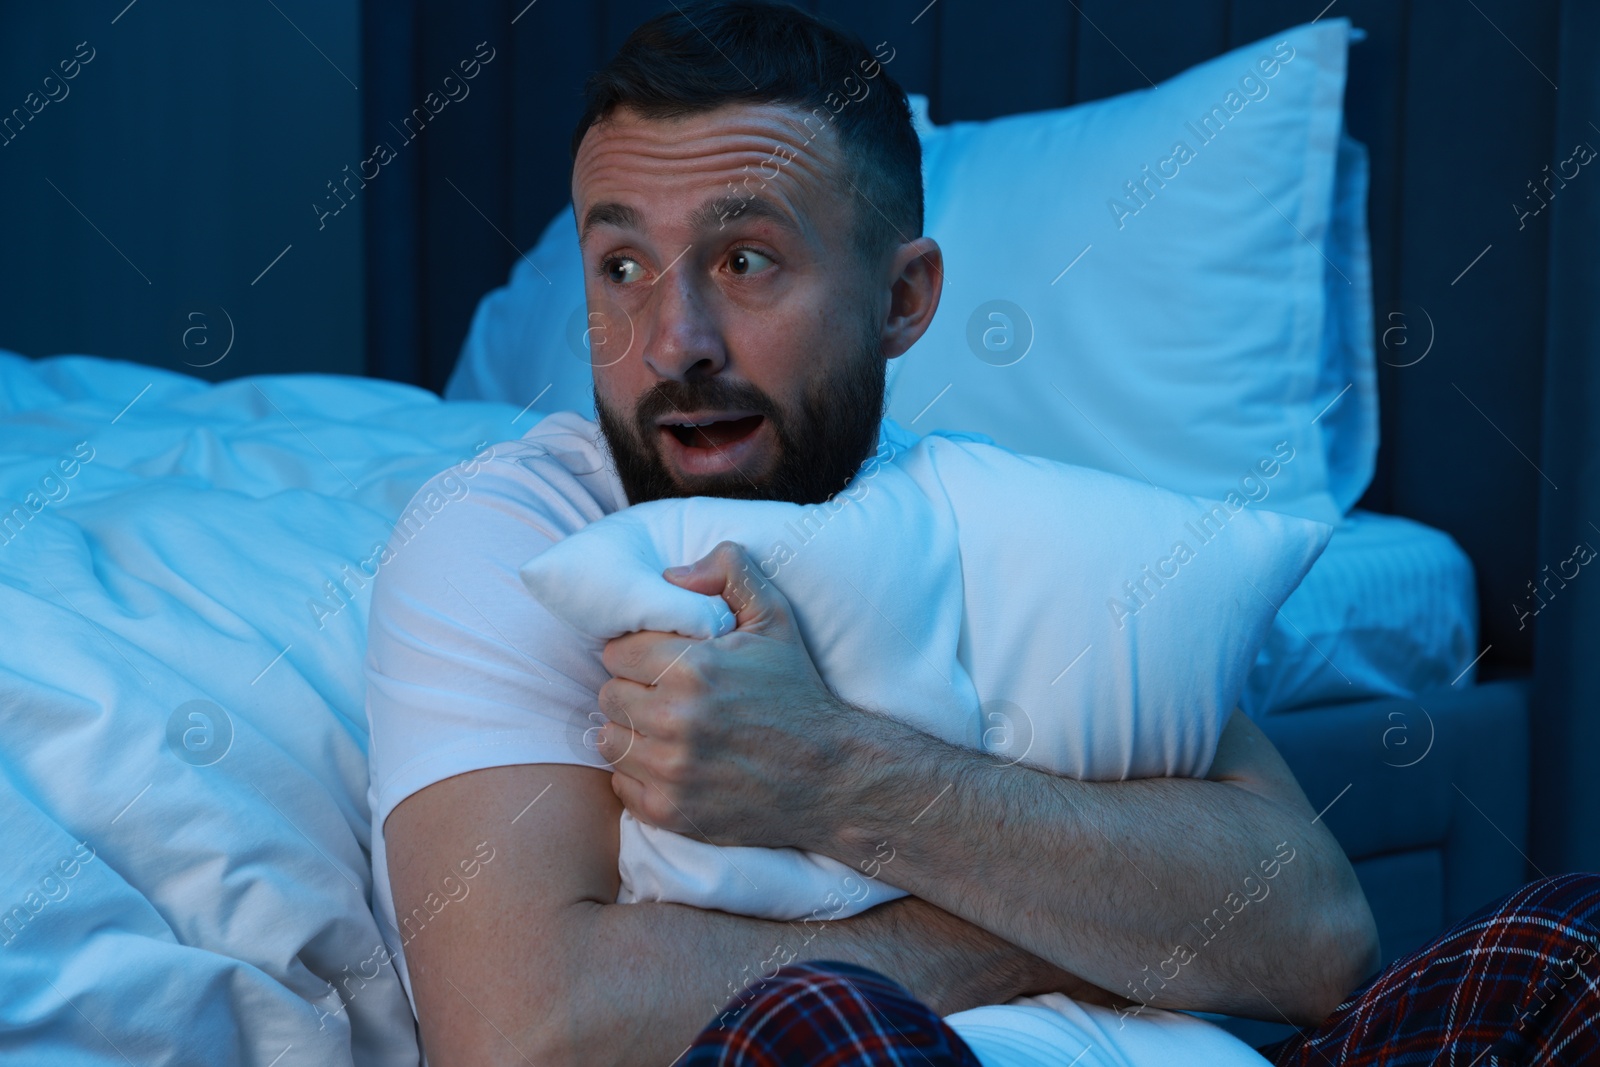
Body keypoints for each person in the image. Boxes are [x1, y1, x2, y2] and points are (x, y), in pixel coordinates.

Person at [364, 3, 1600, 1065]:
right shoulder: (507, 536)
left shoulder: (1010, 517)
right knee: (817, 1022)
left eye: (744, 260)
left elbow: (1318, 933)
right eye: (621, 266)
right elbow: (525, 1027)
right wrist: (1082, 913)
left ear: (902, 300)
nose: (673, 338)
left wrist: (836, 774)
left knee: (1568, 941)